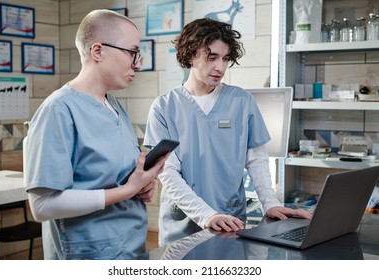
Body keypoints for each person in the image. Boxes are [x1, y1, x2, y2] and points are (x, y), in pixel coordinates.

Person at [144, 18, 311, 246]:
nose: (220, 67)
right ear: (190, 55)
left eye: (225, 59)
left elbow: (257, 161)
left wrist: (270, 203)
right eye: (211, 57)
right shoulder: (164, 107)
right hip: (181, 226)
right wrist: (206, 215)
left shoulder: (242, 101)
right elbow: (168, 173)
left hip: (231, 221)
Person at [24, 9, 169, 260]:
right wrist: (126, 191)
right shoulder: (59, 110)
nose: (138, 62)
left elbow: (114, 179)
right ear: (98, 51)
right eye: (132, 52)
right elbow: (42, 206)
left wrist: (140, 187)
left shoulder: (112, 105)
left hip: (130, 249)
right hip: (90, 254)